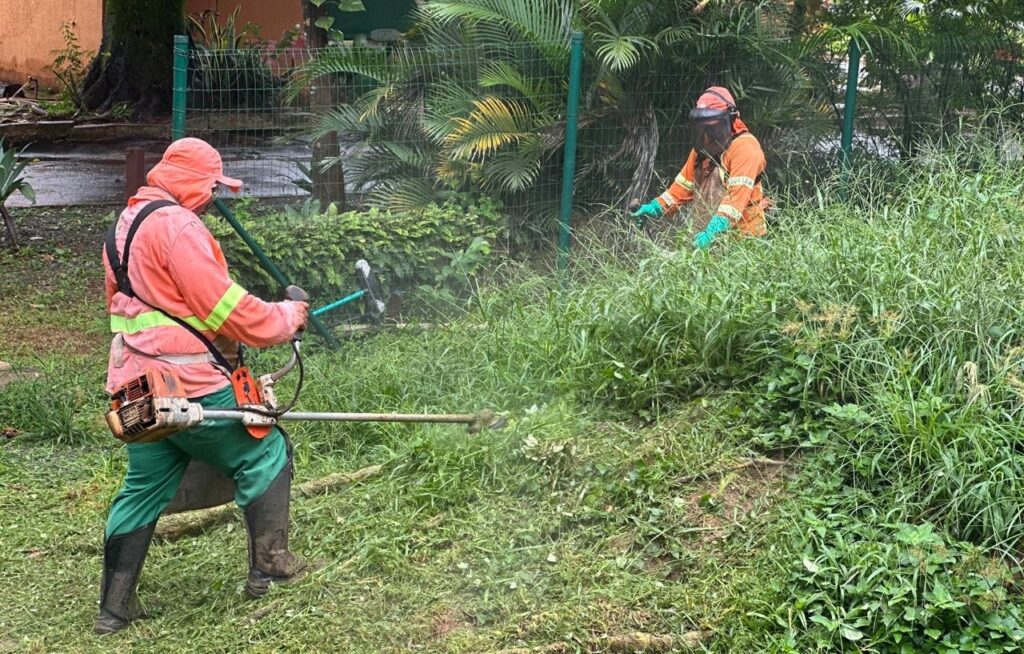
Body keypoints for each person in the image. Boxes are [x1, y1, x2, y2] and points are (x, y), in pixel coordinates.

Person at [96, 138, 310, 635]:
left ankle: (113, 607)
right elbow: (225, 308)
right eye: (212, 187)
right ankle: (271, 568)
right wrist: (286, 317)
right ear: (191, 180)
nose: (213, 197)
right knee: (266, 452)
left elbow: (134, 306)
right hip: (187, 380)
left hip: (138, 386)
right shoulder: (177, 226)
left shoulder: (125, 225)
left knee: (142, 487)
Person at [632, 86, 768, 249]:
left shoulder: (746, 149)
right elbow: (681, 188)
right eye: (702, 127)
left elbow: (734, 202)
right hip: (708, 242)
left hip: (746, 244)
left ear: (730, 120)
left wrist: (711, 233)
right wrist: (655, 207)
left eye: (712, 127)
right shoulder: (702, 150)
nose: (707, 134)